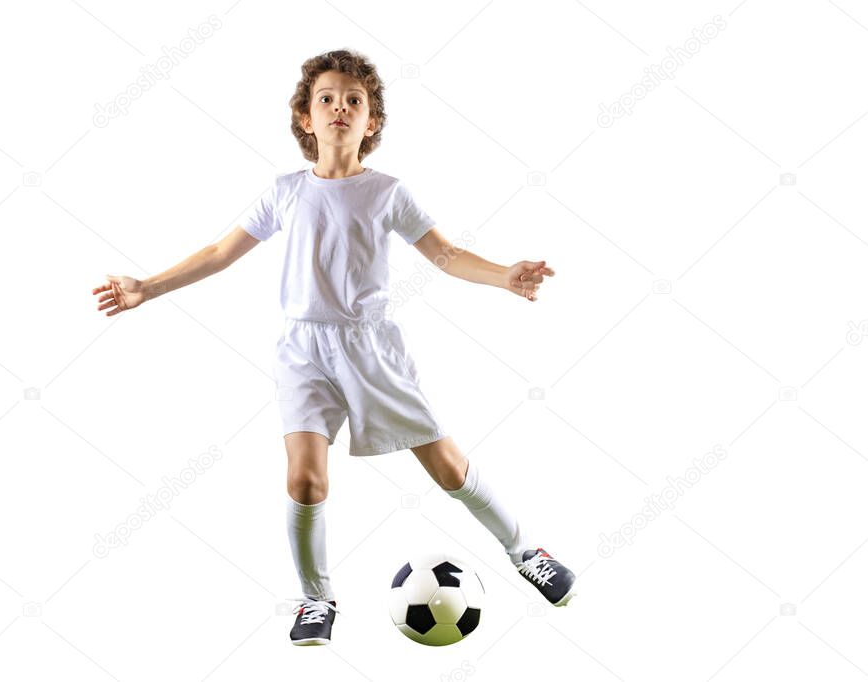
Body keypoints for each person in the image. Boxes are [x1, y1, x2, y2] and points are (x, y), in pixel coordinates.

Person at [92, 48, 575, 647]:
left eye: (354, 100)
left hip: (371, 348)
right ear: (305, 116)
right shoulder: (284, 192)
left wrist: (505, 274)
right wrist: (148, 287)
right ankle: (315, 599)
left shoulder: (388, 193)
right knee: (305, 483)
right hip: (302, 351)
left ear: (371, 121)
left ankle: (526, 551)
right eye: (326, 98)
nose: (339, 107)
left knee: (449, 468)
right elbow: (219, 254)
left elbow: (446, 255)